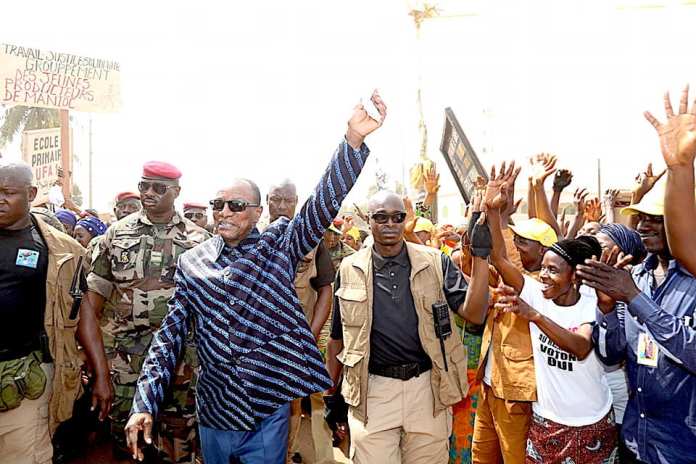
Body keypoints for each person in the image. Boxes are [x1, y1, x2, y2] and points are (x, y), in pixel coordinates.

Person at [124, 92, 387, 464]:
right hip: (215, 413)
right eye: (218, 205)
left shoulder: (278, 246)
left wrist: (353, 141)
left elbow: (320, 205)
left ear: (257, 212)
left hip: (266, 413)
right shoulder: (193, 264)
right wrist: (144, 402)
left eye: (235, 205)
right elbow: (168, 340)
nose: (224, 212)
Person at [326, 190, 490, 464]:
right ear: (369, 220)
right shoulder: (348, 269)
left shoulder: (436, 262)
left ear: (405, 220)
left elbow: (475, 313)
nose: (390, 224)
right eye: (381, 217)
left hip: (427, 390)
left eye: (397, 217)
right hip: (373, 393)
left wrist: (482, 256)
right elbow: (337, 339)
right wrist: (332, 395)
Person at [86, 161, 210, 463]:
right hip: (125, 363)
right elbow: (92, 303)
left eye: (159, 187)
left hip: (181, 365)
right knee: (127, 447)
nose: (149, 193)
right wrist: (98, 368)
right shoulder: (115, 235)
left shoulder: (200, 241)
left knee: (178, 446)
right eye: (144, 186)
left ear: (176, 192)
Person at [579, 174, 696, 463]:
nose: (644, 226)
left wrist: (634, 298)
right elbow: (610, 357)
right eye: (641, 217)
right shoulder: (636, 278)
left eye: (656, 218)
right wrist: (606, 309)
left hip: (682, 447)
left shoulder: (691, 283)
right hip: (635, 440)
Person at [0, 162, 112, 464]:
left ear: (31, 193)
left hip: (24, 377)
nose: (0, 200)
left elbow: (84, 312)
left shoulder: (61, 250)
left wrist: (101, 375)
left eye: (8, 193)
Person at [491, 229, 617, 463]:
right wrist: (492, 210)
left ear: (574, 277)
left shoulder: (591, 305)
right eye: (544, 268)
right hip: (546, 422)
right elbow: (499, 258)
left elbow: (580, 347)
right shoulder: (536, 294)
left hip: (592, 422)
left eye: (553, 270)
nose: (544, 276)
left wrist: (535, 316)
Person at [472, 164, 557, 464]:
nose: (517, 246)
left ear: (546, 251)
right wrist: (489, 211)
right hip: (490, 384)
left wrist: (497, 214)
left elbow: (501, 257)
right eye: (516, 240)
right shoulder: (511, 276)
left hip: (516, 393)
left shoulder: (542, 285)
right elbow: (483, 257)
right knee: (482, 457)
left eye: (524, 242)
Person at [266, 179, 337, 464]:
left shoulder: (313, 240)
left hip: (295, 345)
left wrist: (310, 335)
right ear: (267, 200)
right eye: (276, 199)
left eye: (288, 200)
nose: (282, 206)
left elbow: (325, 289)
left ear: (297, 202)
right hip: (257, 345)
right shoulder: (250, 237)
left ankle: (284, 455)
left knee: (291, 407)